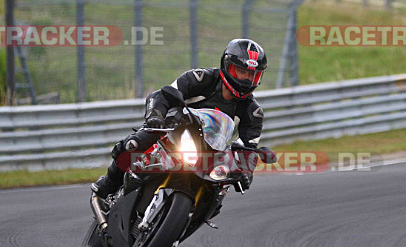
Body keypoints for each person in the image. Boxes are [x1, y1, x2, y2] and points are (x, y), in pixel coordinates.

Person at [92, 38, 276, 199]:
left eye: (252, 74)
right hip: (174, 131)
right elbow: (162, 95)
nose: (246, 79)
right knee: (132, 145)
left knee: (219, 191)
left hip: (212, 154)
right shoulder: (201, 78)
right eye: (241, 72)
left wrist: (246, 171)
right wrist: (155, 117)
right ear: (227, 66)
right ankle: (109, 183)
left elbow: (249, 149)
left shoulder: (253, 112)